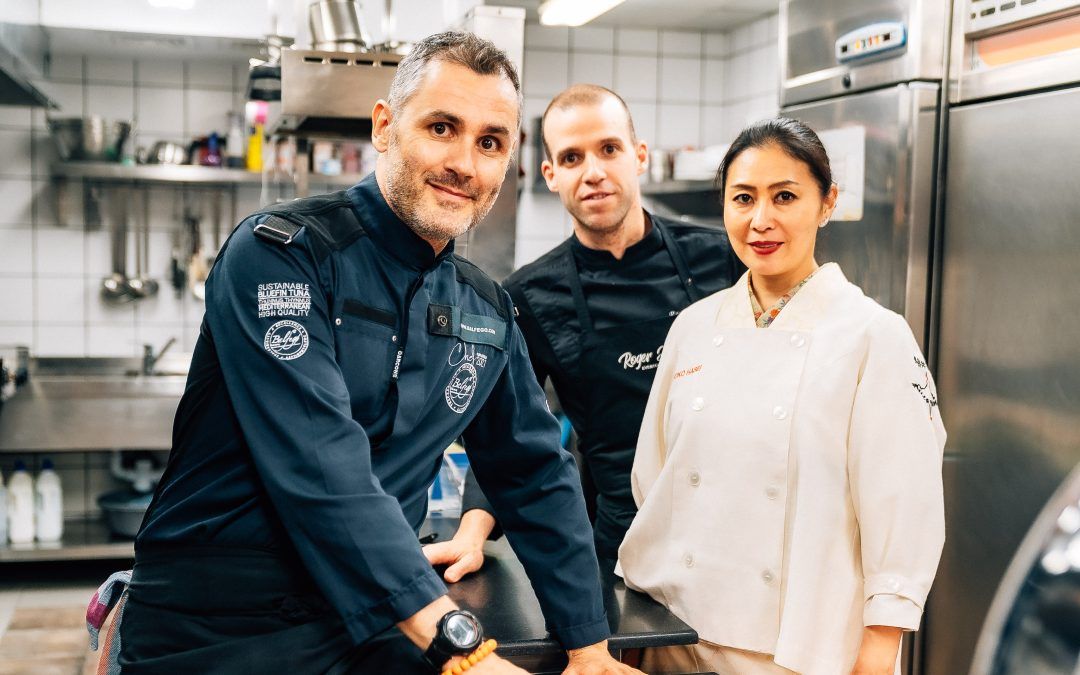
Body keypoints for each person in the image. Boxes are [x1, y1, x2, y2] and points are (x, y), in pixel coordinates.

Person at [116, 33, 640, 675]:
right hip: (216, 626)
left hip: (371, 625)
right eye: (442, 127)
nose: (464, 164)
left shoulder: (486, 309)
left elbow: (533, 474)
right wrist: (462, 649)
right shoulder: (280, 254)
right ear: (385, 127)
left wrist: (589, 647)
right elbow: (321, 467)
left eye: (490, 142)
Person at [616, 118, 946, 675]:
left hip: (800, 647)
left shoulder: (872, 335)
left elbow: (904, 507)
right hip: (675, 633)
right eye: (742, 198)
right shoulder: (693, 327)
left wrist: (880, 645)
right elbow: (653, 478)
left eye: (785, 196)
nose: (760, 221)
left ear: (827, 203)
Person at [422, 84, 742, 580]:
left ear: (638, 156)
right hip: (621, 546)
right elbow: (506, 429)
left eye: (609, 149)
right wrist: (471, 534)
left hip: (731, 529)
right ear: (551, 175)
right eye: (572, 158)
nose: (593, 172)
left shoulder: (721, 257)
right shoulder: (529, 296)